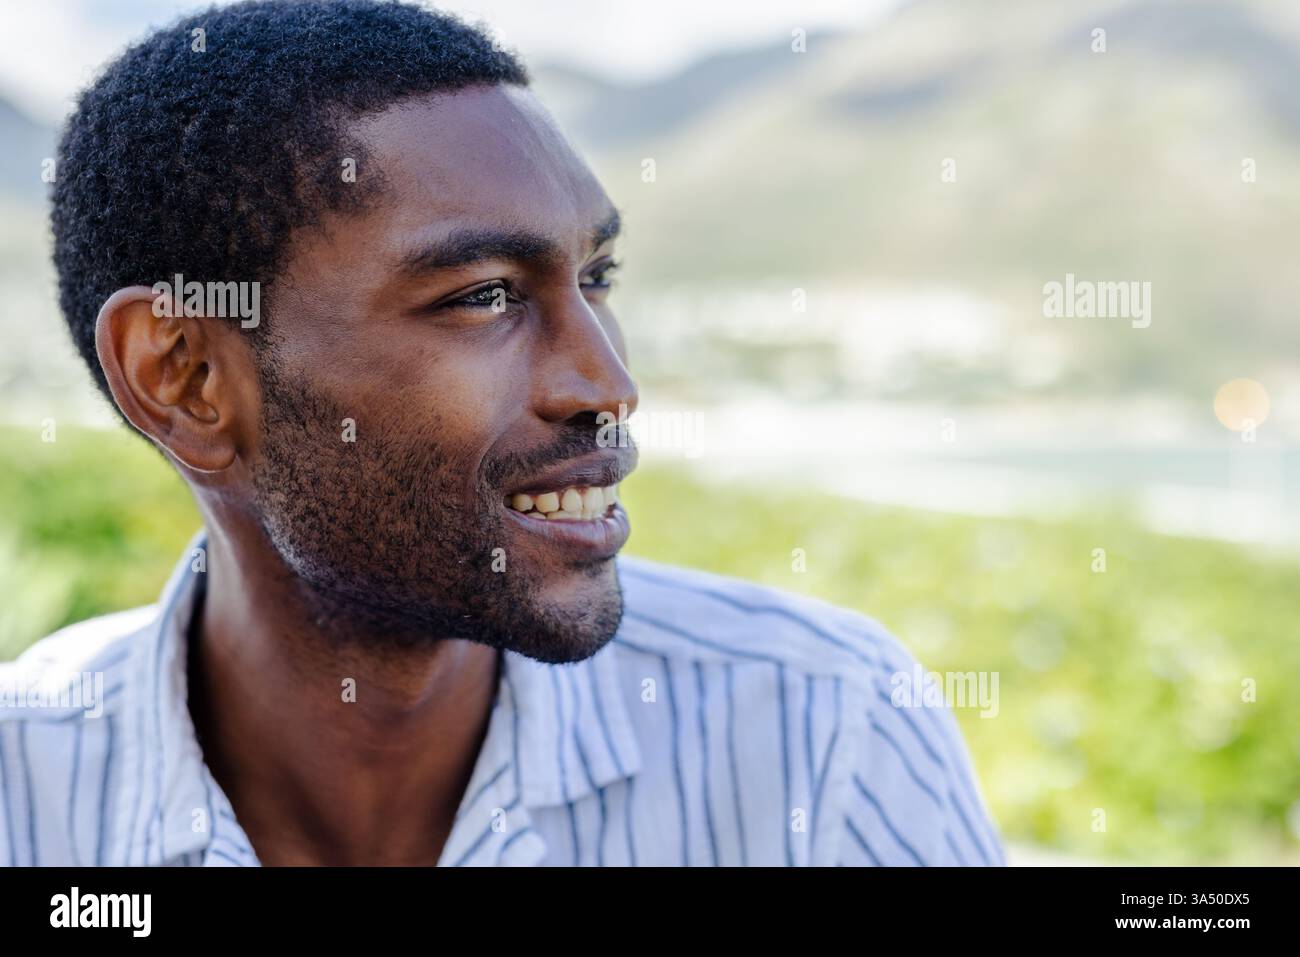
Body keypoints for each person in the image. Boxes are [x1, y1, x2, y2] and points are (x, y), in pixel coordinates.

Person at [0, 0, 1002, 867]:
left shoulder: (819, 733)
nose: (608, 383)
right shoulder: (24, 793)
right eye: (483, 296)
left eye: (595, 278)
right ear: (184, 379)